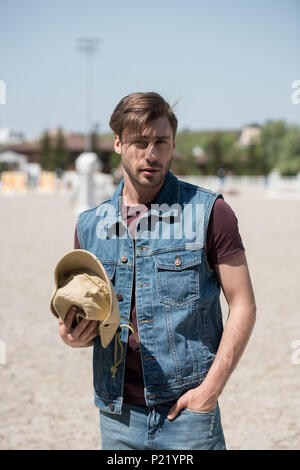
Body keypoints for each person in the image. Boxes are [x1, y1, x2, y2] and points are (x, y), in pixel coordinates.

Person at [58, 92, 256, 450]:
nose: (151, 154)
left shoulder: (210, 213)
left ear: (173, 143)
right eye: (140, 142)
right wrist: (73, 336)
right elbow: (85, 314)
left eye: (161, 142)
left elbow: (243, 304)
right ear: (118, 143)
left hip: (189, 418)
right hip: (117, 418)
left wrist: (209, 393)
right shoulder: (89, 226)